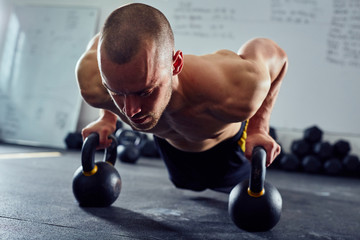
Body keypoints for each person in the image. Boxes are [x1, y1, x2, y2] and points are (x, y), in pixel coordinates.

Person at [76, 3, 288, 193]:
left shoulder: (235, 87)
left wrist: (258, 128)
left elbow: (276, 56)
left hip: (226, 150)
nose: (131, 111)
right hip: (171, 150)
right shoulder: (92, 81)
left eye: (145, 92)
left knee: (231, 190)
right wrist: (106, 118)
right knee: (185, 184)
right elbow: (104, 41)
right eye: (117, 93)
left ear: (175, 64)